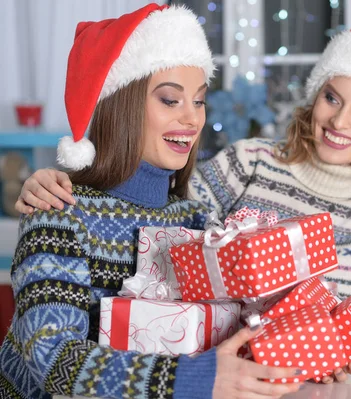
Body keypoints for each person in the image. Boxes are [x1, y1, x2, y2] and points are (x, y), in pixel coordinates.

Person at [16, 26, 351, 383]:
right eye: (332, 98)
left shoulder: (187, 218)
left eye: (200, 100)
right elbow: (49, 352)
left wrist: (315, 348)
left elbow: (217, 323)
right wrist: (59, 184)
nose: (340, 121)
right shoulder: (234, 177)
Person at [1, 4, 301, 399]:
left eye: (198, 100)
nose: (193, 119)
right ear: (121, 104)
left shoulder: (197, 221)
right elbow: (52, 359)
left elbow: (227, 335)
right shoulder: (60, 215)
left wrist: (309, 359)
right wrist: (188, 380)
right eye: (170, 100)